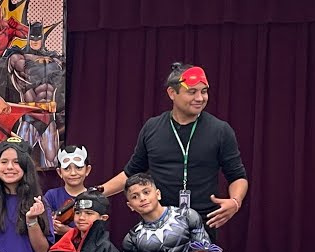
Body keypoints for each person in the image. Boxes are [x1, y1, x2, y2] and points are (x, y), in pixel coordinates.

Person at [98, 63, 248, 238]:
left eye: (204, 91)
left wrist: (235, 202)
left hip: (202, 225)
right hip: (158, 222)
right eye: (192, 92)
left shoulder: (220, 130)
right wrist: (97, 192)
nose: (200, 98)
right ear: (172, 93)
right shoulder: (152, 128)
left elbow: (238, 176)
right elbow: (131, 172)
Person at [44, 145, 93, 238]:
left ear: (87, 170)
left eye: (79, 168)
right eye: (67, 168)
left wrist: (69, 232)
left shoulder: (94, 198)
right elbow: (44, 225)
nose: (73, 173)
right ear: (59, 172)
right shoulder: (51, 196)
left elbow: (97, 234)